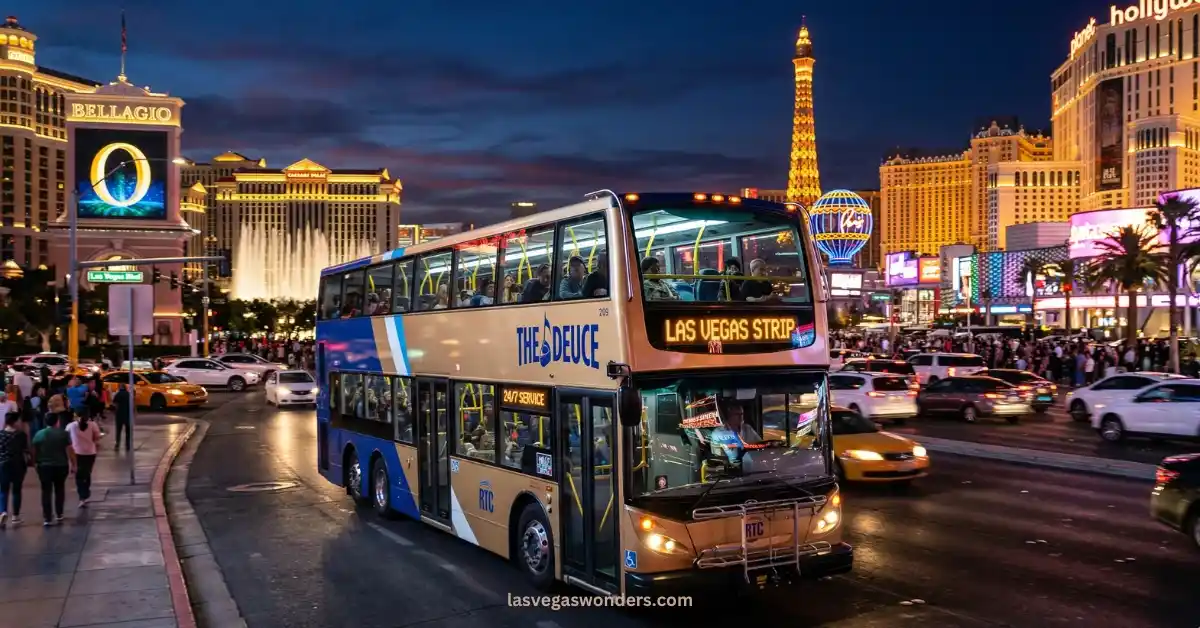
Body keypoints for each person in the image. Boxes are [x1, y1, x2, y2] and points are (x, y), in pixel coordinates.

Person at [32, 413, 74, 526]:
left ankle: (47, 518)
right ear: (57, 421)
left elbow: (34, 450)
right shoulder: (64, 434)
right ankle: (59, 514)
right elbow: (70, 450)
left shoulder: (39, 434)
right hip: (61, 466)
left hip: (44, 466)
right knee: (59, 489)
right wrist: (73, 464)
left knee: (46, 491)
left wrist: (35, 462)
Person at [0, 412, 30, 527]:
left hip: (2, 464)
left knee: (3, 490)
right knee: (16, 490)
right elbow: (25, 450)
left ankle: (3, 512)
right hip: (17, 464)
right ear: (16, 421)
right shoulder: (21, 435)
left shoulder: (1, 434)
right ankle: (15, 516)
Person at [66, 411, 101, 507]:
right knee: (87, 473)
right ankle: (86, 493)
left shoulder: (71, 426)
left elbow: (67, 439)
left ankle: (82, 496)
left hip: (77, 453)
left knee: (79, 475)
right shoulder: (93, 425)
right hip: (90, 452)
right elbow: (96, 438)